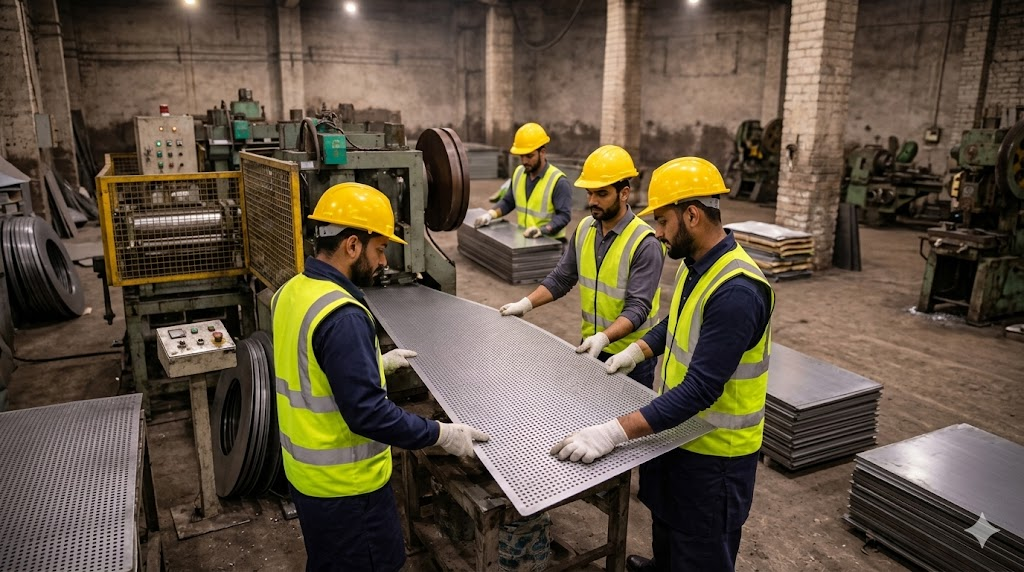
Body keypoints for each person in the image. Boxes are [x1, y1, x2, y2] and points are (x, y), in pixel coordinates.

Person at [549, 157, 774, 572]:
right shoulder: (699, 266)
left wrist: (614, 432)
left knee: (699, 547)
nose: (657, 232)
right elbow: (675, 323)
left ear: (691, 215)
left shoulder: (738, 291)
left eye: (664, 221)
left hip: (714, 458)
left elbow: (701, 390)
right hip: (678, 435)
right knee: (668, 526)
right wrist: (635, 351)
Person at [272, 182, 490, 572]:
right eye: (380, 249)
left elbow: (309, 368)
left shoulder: (290, 291)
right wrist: (443, 434)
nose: (384, 262)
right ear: (352, 246)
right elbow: (369, 415)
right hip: (350, 491)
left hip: (306, 482)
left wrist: (373, 363)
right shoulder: (344, 315)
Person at [496, 145, 664, 389]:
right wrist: (525, 304)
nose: (593, 201)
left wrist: (604, 337)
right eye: (589, 193)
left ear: (624, 193)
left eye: (602, 194)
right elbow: (562, 278)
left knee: (625, 423)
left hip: (632, 356)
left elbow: (638, 307)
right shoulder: (586, 228)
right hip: (592, 344)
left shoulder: (644, 242)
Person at [473, 122, 573, 240]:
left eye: (529, 156)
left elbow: (563, 216)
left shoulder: (558, 181)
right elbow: (509, 201)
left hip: (550, 244)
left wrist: (543, 230)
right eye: (521, 156)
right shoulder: (519, 173)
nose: (524, 161)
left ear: (542, 152)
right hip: (526, 241)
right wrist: (490, 214)